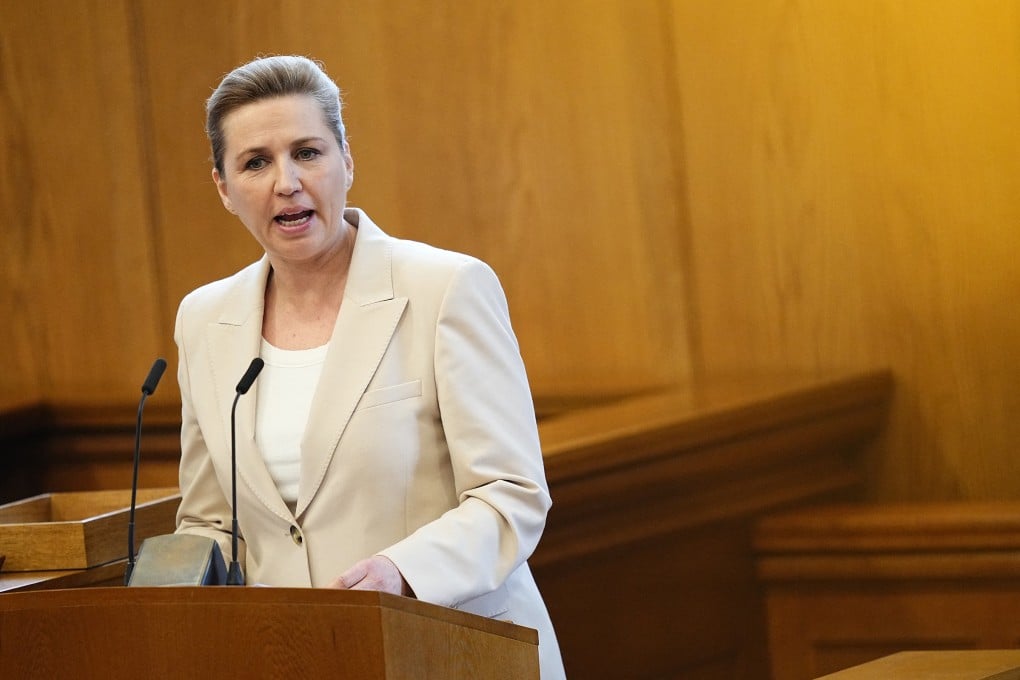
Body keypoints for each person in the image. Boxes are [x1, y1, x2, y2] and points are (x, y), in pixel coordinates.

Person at [172, 55, 566, 678]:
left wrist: (401, 571)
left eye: (307, 153)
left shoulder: (445, 289)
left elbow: (510, 496)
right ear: (223, 187)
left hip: (448, 651)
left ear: (346, 161)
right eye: (256, 162)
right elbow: (210, 521)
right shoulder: (203, 321)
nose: (287, 182)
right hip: (295, 660)